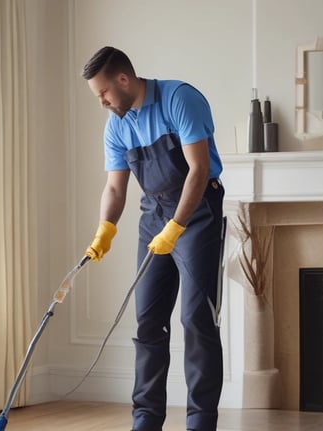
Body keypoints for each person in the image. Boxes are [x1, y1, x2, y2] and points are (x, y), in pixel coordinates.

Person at [82, 46, 225, 431]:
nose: (103, 103)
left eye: (104, 94)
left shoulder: (180, 99)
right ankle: (145, 419)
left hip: (198, 213)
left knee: (197, 319)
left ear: (123, 80)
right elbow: (115, 188)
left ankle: (200, 422)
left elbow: (197, 170)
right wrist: (105, 228)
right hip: (153, 215)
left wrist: (177, 226)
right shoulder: (118, 124)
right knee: (148, 322)